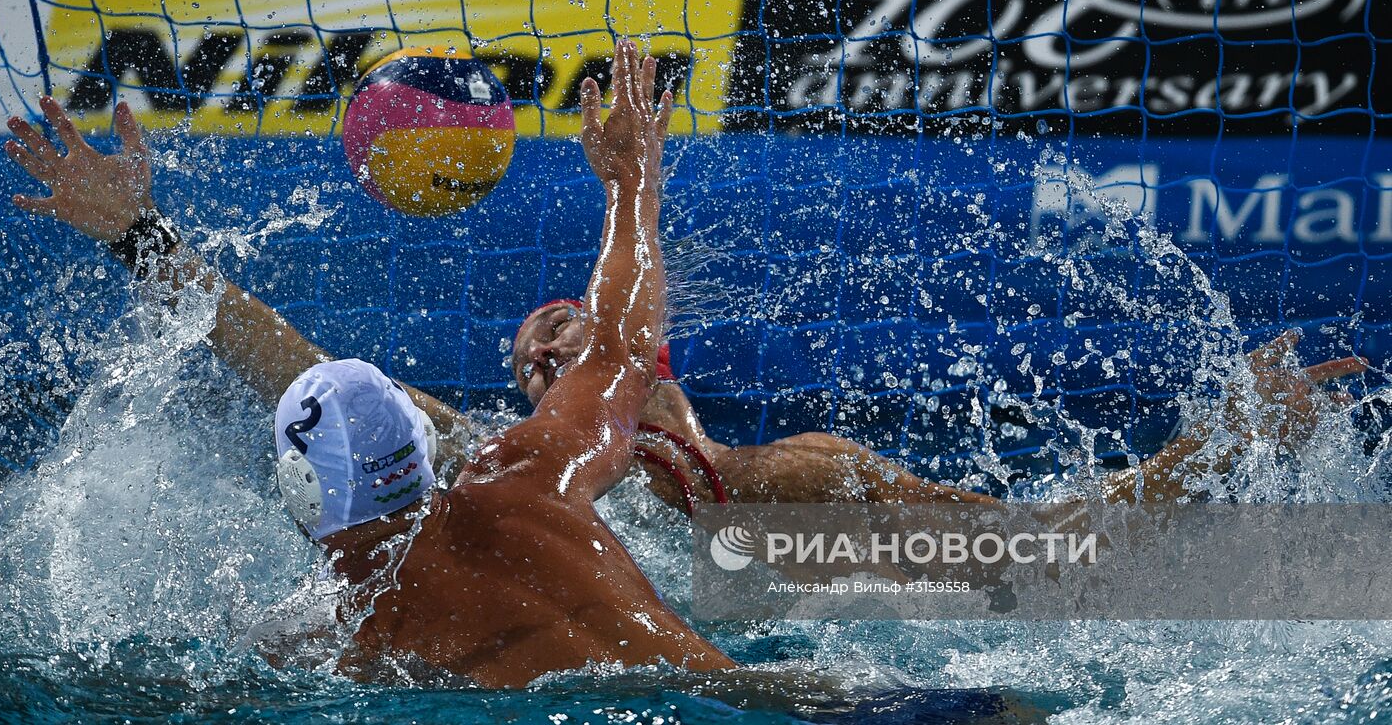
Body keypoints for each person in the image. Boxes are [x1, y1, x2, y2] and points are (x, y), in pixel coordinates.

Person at [5, 41, 736, 687]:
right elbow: (620, 346)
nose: (549, 357)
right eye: (536, 356)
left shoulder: (337, 642)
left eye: (554, 330)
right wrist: (631, 181)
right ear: (425, 443)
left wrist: (140, 236)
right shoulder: (525, 472)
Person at [511, 299, 1367, 510]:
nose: (544, 356)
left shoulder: (793, 473)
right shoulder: (517, 490)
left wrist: (1219, 445)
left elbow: (1043, 552)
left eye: (561, 335)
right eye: (529, 369)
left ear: (643, 363)